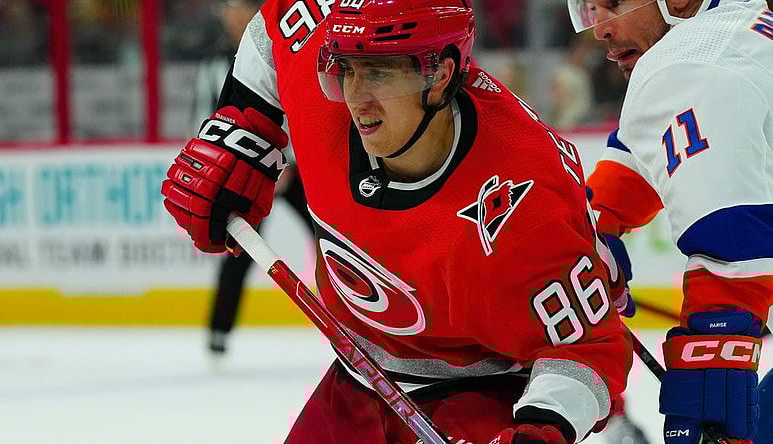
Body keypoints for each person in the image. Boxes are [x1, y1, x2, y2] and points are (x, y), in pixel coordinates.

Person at [161, 0, 634, 442]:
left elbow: (591, 350)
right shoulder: (324, 95)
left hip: (485, 389)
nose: (356, 99)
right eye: (345, 69)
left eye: (380, 73)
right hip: (358, 375)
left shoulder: (522, 204)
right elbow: (278, 25)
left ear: (441, 75)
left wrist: (538, 433)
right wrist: (240, 126)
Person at [567, 0, 773, 443]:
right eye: (589, 9)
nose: (599, 29)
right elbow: (647, 153)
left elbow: (732, 243)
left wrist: (711, 384)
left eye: (613, 4)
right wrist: (596, 221)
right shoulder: (733, 26)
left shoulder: (690, 58)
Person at [189, 0, 313, 355]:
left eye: (236, 7)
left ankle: (358, 319)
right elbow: (204, 116)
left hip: (291, 168)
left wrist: (286, 161)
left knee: (330, 238)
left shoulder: (285, 49)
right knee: (239, 248)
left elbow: (297, 110)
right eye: (226, 8)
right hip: (243, 171)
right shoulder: (214, 62)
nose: (230, 15)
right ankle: (219, 331)